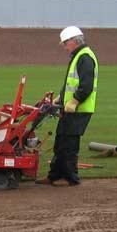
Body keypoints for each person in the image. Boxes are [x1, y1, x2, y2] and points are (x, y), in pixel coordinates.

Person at [36, 26, 98, 187]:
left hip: (79, 110)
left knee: (69, 145)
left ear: (74, 40)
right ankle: (54, 176)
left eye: (65, 43)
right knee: (60, 142)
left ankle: (71, 178)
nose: (64, 46)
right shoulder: (77, 56)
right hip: (69, 109)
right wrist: (60, 99)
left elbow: (86, 86)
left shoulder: (85, 57)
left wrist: (74, 101)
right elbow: (71, 83)